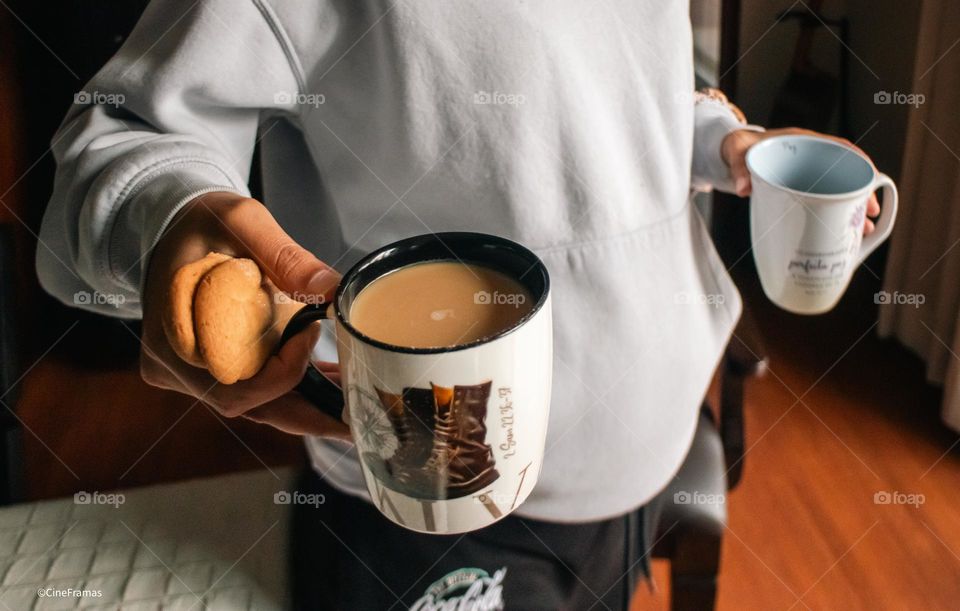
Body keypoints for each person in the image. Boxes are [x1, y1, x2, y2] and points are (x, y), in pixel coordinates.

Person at [37, 1, 881, 608]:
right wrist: (169, 219)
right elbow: (120, 136)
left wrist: (722, 142)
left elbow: (627, 102)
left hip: (641, 463)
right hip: (437, 492)